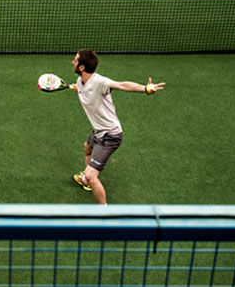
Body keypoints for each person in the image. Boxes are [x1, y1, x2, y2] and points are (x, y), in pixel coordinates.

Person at [68, 49, 164, 204]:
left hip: (110, 135)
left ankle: (105, 211)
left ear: (81, 67)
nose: (72, 62)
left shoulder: (100, 82)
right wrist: (75, 88)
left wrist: (145, 89)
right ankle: (85, 180)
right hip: (98, 130)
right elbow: (83, 89)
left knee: (93, 176)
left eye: (75, 60)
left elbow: (122, 85)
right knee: (87, 147)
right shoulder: (81, 82)